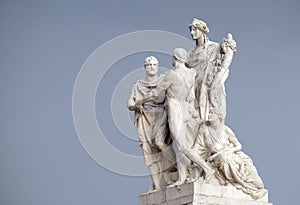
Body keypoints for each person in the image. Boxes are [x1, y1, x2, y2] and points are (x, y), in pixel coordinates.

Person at [135, 49, 214, 187]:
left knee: (182, 145)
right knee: (177, 146)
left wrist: (139, 101)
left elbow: (154, 93)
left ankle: (207, 168)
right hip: (185, 111)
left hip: (175, 110)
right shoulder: (190, 74)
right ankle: (182, 177)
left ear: (175, 59)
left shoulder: (172, 75)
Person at [128, 56, 176, 192]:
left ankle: (177, 166)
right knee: (148, 152)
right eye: (148, 65)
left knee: (160, 143)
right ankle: (158, 185)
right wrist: (135, 105)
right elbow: (130, 102)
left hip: (161, 116)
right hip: (145, 119)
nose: (152, 67)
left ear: (158, 66)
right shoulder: (138, 84)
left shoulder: (163, 79)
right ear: (145, 67)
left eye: (154, 64)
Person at [199, 109, 267, 199]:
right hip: (218, 158)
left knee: (258, 184)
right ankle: (239, 181)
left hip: (233, 154)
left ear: (219, 117)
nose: (209, 114)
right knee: (224, 158)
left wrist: (231, 151)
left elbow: (238, 145)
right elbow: (199, 148)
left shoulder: (225, 129)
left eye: (212, 113)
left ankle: (246, 183)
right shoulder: (205, 130)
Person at [186, 18, 236, 121]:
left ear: (202, 30)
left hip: (207, 86)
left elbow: (225, 55)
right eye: (191, 30)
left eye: (195, 29)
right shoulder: (190, 53)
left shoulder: (214, 47)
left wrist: (228, 46)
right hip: (193, 88)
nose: (192, 33)